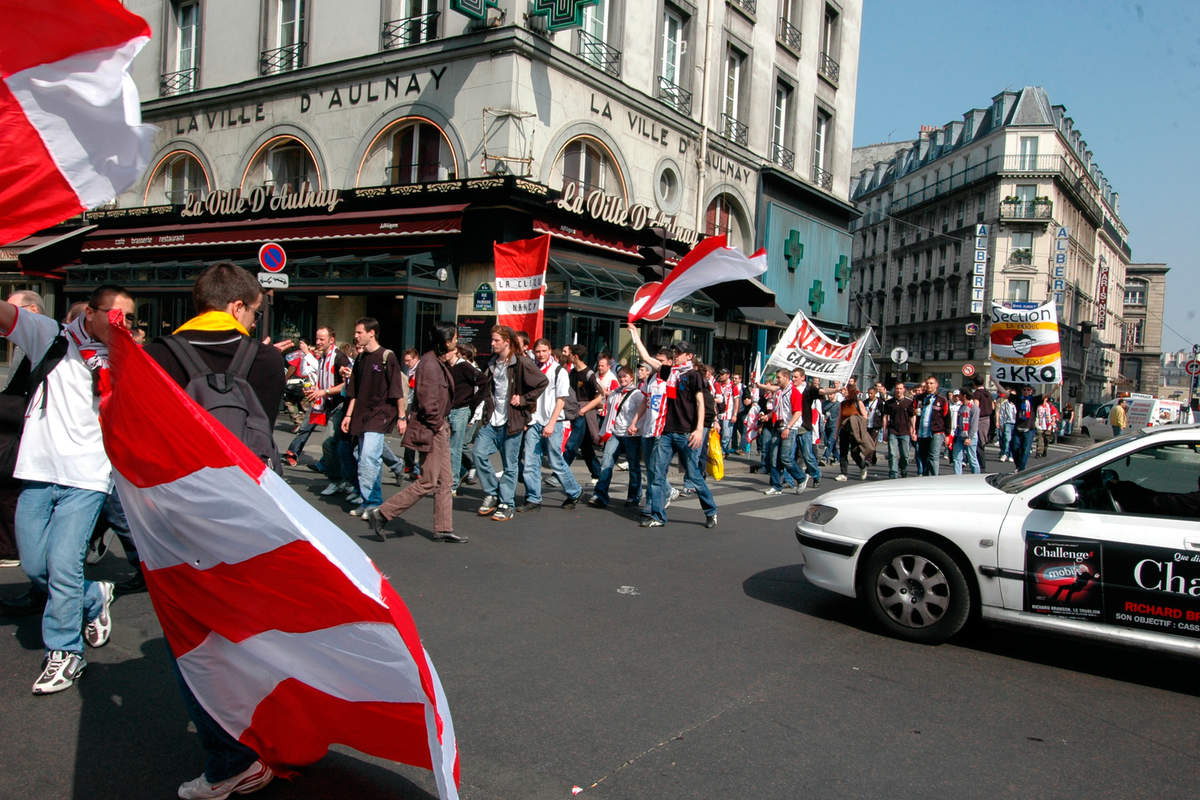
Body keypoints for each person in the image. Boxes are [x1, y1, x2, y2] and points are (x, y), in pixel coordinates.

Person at [143, 261, 285, 798]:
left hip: (183, 515)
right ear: (236, 306)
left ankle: (229, 760)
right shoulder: (267, 361)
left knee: (196, 637)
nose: (254, 320)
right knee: (251, 625)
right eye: (254, 310)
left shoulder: (157, 356)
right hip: (252, 514)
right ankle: (265, 729)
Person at [0, 285, 132, 695]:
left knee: (62, 564)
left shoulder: (127, 355)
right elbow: (6, 317)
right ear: (91, 313)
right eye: (116, 316)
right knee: (36, 566)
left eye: (129, 318)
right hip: (39, 471)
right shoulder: (50, 336)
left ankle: (66, 650)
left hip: (88, 476)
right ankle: (94, 597)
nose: (122, 325)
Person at [366, 324, 463, 543]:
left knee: (445, 481)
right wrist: (438, 425)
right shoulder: (429, 364)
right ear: (447, 342)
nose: (457, 341)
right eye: (455, 337)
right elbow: (428, 402)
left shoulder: (435, 361)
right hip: (432, 428)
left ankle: (444, 528)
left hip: (438, 427)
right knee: (429, 480)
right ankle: (382, 513)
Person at [628, 325, 717, 529]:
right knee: (657, 474)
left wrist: (698, 429)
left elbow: (700, 402)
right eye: (675, 352)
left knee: (694, 475)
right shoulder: (669, 371)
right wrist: (635, 336)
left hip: (686, 432)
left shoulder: (694, 375)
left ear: (689, 356)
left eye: (679, 353)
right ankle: (658, 516)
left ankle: (711, 510)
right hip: (667, 432)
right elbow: (648, 358)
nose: (676, 355)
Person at [471, 325, 548, 521]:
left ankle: (507, 503)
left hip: (512, 421)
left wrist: (523, 400)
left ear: (506, 341)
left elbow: (542, 382)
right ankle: (492, 492)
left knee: (510, 464)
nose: (492, 343)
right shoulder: (492, 363)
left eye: (496, 340)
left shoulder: (521, 362)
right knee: (478, 453)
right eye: (492, 340)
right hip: (492, 419)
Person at [340, 318, 407, 517]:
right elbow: (355, 391)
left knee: (369, 457)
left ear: (372, 333)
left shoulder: (387, 356)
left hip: (381, 415)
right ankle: (370, 500)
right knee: (366, 459)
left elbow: (397, 390)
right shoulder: (361, 359)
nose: (356, 336)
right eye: (355, 332)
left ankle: (372, 501)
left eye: (359, 332)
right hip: (361, 414)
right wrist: (349, 415)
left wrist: (402, 417)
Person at [520, 337, 583, 511]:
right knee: (531, 462)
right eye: (538, 351)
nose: (540, 355)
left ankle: (574, 491)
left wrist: (552, 423)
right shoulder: (532, 369)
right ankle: (533, 498)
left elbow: (561, 399)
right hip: (534, 421)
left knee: (556, 461)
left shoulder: (558, 371)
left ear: (549, 351)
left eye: (544, 351)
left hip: (553, 422)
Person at [283, 326, 348, 465]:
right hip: (320, 400)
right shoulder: (323, 356)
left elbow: (347, 384)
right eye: (317, 338)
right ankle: (294, 453)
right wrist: (315, 388)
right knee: (307, 427)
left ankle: (335, 474)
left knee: (332, 441)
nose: (318, 342)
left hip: (337, 404)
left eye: (321, 339)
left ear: (331, 340)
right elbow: (321, 377)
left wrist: (324, 391)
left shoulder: (339, 357)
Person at [589, 366, 645, 508]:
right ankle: (600, 495)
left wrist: (637, 427)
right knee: (606, 463)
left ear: (632, 377)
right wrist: (601, 434)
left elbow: (643, 413)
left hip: (631, 435)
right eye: (620, 376)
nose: (622, 379)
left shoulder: (637, 394)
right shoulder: (614, 394)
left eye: (625, 376)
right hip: (615, 433)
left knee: (633, 466)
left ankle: (634, 496)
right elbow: (609, 416)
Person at [562, 343, 603, 482]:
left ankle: (560, 472)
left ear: (576, 356)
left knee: (572, 444)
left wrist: (583, 410)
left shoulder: (589, 374)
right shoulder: (572, 373)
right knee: (585, 447)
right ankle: (598, 474)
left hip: (585, 414)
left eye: (570, 354)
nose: (568, 356)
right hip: (575, 411)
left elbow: (599, 398)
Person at [763, 370, 807, 495]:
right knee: (774, 458)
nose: (777, 380)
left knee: (785, 458)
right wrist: (768, 416)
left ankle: (801, 477)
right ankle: (776, 485)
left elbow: (798, 412)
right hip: (778, 426)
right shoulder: (779, 393)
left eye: (779, 378)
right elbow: (777, 409)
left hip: (789, 428)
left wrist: (788, 427)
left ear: (786, 378)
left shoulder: (794, 392)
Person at [448, 340, 482, 495]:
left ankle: (454, 483)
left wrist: (472, 409)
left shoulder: (466, 367)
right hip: (449, 410)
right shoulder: (448, 367)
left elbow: (483, 384)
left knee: (458, 446)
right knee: (452, 447)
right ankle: (460, 472)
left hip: (462, 411)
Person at [834, 383, 873, 481]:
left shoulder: (858, 403)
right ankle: (843, 474)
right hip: (844, 430)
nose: (843, 392)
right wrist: (836, 432)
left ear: (850, 391)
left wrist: (861, 430)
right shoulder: (842, 404)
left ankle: (863, 466)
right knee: (843, 452)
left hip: (855, 432)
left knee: (854, 453)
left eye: (845, 390)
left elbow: (865, 417)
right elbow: (839, 418)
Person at [914, 375, 950, 476]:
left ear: (936, 385)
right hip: (922, 432)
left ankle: (935, 478)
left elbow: (947, 417)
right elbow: (912, 413)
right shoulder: (919, 398)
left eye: (931, 383)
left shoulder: (941, 400)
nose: (929, 385)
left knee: (933, 456)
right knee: (923, 456)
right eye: (928, 383)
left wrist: (947, 435)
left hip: (936, 432)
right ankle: (926, 477)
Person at [881, 381, 915, 479]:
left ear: (904, 390)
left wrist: (913, 430)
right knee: (892, 453)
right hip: (893, 431)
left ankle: (903, 469)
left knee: (905, 455)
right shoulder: (889, 403)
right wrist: (884, 431)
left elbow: (912, 417)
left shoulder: (909, 402)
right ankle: (893, 473)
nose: (898, 391)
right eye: (897, 388)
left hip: (905, 432)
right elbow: (885, 417)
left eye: (900, 388)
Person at [951, 389, 981, 474]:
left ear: (964, 396)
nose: (958, 397)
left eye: (960, 395)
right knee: (957, 457)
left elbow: (974, 424)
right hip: (960, 434)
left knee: (972, 458)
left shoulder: (974, 407)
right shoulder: (962, 406)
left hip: (969, 436)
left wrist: (969, 437)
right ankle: (957, 477)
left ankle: (976, 477)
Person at [1010, 385, 1040, 471]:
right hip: (1018, 428)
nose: (1026, 391)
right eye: (1024, 390)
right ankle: (1018, 465)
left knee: (1025, 450)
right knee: (1015, 447)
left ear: (1031, 391)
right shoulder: (1018, 399)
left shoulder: (1034, 400)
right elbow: (1005, 393)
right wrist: (995, 382)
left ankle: (1021, 469)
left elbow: (1046, 395)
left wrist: (1056, 387)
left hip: (1029, 429)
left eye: (1028, 390)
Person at [970, 375, 994, 470]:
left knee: (978, 442)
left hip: (979, 419)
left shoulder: (977, 394)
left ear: (974, 384)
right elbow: (992, 406)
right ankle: (980, 463)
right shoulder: (988, 393)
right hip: (987, 419)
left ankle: (981, 464)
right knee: (982, 441)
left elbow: (976, 407)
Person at [996, 392, 1016, 462]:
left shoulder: (1017, 404)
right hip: (1007, 423)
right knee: (1007, 438)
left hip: (1015, 423)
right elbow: (1001, 415)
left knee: (1013, 440)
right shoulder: (1005, 404)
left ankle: (1011, 455)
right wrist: (1001, 424)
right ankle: (1005, 453)